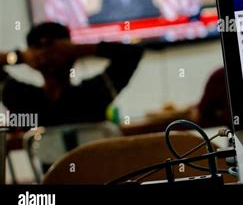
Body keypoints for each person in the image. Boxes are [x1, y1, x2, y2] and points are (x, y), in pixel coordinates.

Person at [0, 22, 144, 127]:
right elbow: (131, 54)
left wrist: (18, 57)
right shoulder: (93, 96)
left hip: (52, 170)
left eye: (53, 47)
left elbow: (133, 53)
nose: (48, 54)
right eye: (39, 47)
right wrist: (77, 50)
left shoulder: (23, 99)